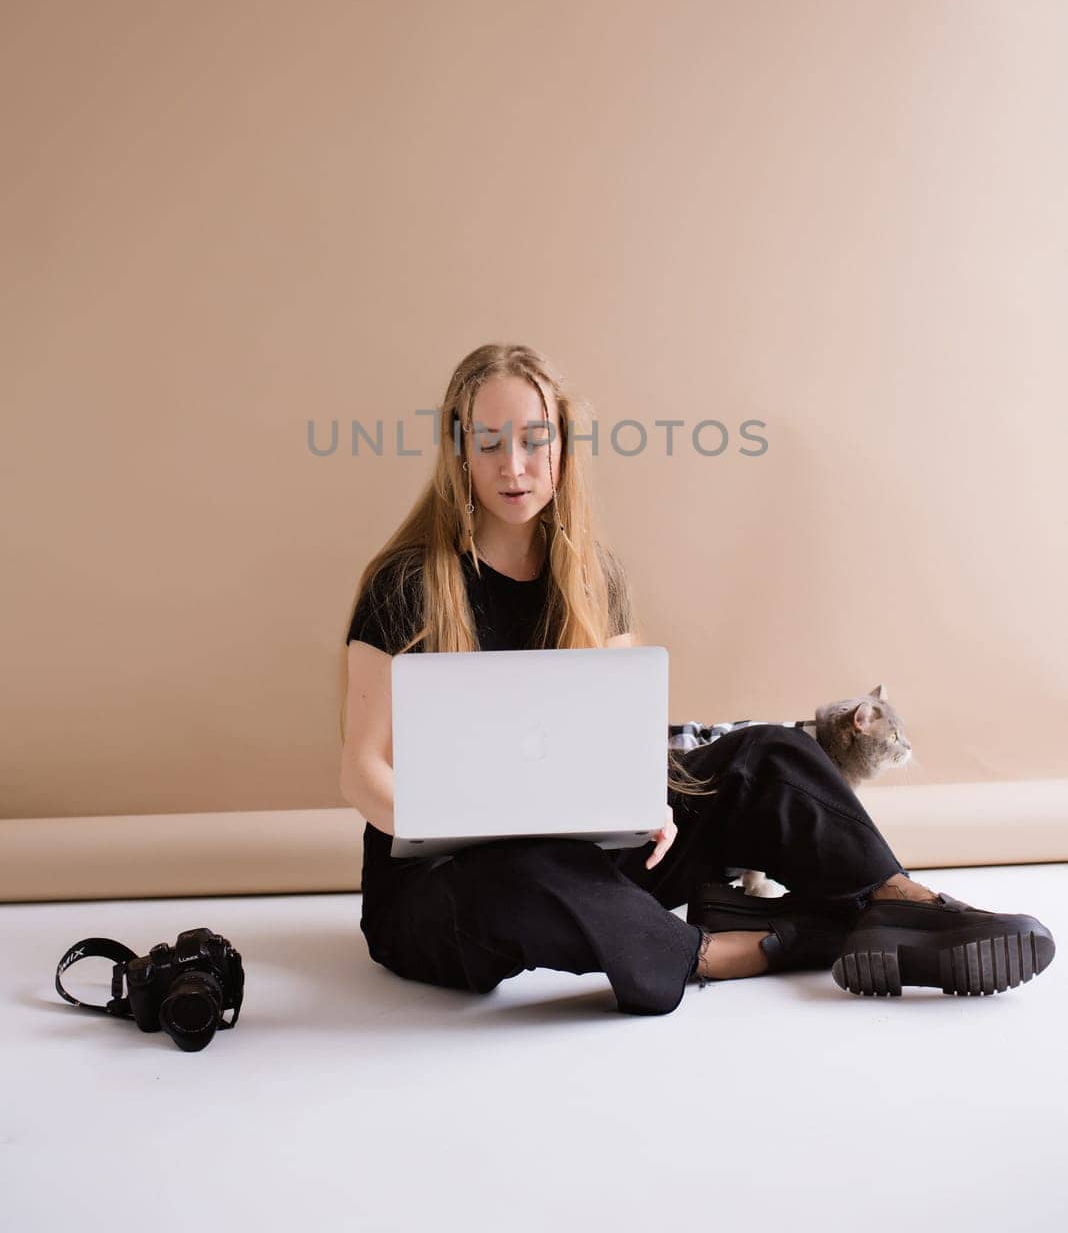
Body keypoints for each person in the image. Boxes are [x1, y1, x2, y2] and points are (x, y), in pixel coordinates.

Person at [339, 342, 1055, 1015]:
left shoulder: (593, 579)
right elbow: (362, 771)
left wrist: (644, 795)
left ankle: (899, 906)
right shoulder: (404, 583)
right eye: (489, 442)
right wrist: (466, 820)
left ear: (561, 446)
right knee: (523, 871)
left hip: (580, 856)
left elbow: (624, 737)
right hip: (443, 890)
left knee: (768, 754)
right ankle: (753, 947)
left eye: (533, 440)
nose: (513, 465)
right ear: (459, 451)